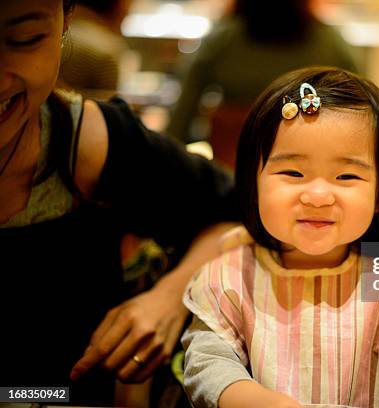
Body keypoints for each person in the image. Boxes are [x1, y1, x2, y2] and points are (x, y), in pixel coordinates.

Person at [181, 67, 379, 408]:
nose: (317, 195)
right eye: (293, 172)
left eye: (345, 176)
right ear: (253, 186)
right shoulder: (229, 279)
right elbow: (207, 363)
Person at [0, 0, 237, 405]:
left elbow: (234, 211)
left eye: (25, 39)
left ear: (64, 26)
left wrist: (169, 297)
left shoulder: (89, 143)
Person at [165, 0, 359, 146]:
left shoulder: (222, 41)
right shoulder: (330, 45)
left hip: (232, 175)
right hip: (310, 174)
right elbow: (362, 116)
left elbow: (179, 123)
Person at [58, 0, 134, 99]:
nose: (128, 13)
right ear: (117, 5)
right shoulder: (105, 54)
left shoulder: (65, 29)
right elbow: (107, 110)